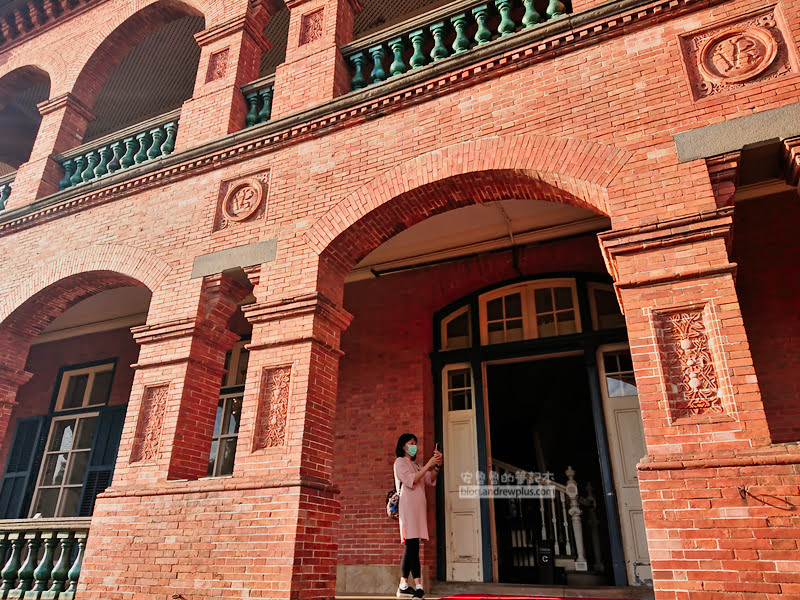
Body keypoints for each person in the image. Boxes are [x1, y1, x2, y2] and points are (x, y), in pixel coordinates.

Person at [393, 433, 443, 598]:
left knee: (412, 546)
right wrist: (429, 464)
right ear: (403, 446)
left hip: (418, 510)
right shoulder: (400, 462)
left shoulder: (415, 465)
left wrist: (436, 466)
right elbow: (411, 480)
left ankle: (403, 585)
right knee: (412, 546)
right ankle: (419, 586)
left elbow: (429, 479)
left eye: (416, 443)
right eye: (411, 443)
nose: (414, 446)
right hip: (408, 509)